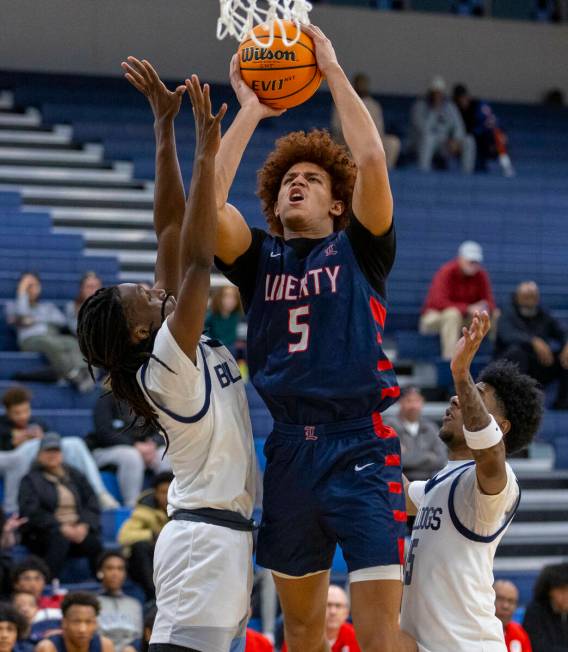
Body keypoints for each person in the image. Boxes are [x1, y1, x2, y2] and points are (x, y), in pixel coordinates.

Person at [215, 24, 409, 652]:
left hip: (360, 446)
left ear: (337, 206)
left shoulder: (360, 248)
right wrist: (249, 110)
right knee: (300, 629)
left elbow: (372, 160)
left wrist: (330, 71)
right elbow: (206, 204)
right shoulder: (258, 257)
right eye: (287, 180)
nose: (297, 182)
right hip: (291, 455)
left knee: (378, 635)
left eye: (313, 179)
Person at [77, 61, 255, 652]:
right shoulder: (169, 360)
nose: (156, 289)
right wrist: (207, 155)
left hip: (219, 538)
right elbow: (198, 256)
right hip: (204, 543)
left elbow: (169, 232)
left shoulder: (161, 343)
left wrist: (163, 128)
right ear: (135, 332)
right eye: (146, 296)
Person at [401, 312, 544, 651]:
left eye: (474, 398)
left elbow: (491, 454)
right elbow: (400, 493)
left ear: (501, 427)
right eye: (465, 394)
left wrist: (462, 373)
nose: (456, 398)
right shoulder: (442, 480)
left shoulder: (500, 483)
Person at [0, 386, 118, 512]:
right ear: (8, 411)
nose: (23, 416)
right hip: (13, 459)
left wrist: (41, 439)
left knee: (76, 444)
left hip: (39, 458)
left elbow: (51, 442)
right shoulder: (2, 425)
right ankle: (13, 508)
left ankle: (99, 494)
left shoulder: (36, 423)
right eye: (17, 413)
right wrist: (14, 441)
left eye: (26, 411)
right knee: (25, 451)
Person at [18, 433, 103, 578]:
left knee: (93, 543)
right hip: (44, 533)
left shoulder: (75, 475)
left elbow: (91, 502)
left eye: (56, 451)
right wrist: (60, 527)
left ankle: (100, 580)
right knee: (59, 540)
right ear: (39, 455)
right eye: (47, 451)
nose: (52, 455)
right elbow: (31, 512)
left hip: (77, 529)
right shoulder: (30, 480)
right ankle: (48, 582)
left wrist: (84, 525)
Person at [5, 273, 93, 393]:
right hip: (30, 340)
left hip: (52, 337)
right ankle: (72, 374)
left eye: (34, 285)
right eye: (28, 286)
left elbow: (61, 321)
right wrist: (22, 293)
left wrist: (34, 319)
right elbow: (22, 314)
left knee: (72, 342)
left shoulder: (47, 306)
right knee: (51, 343)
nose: (32, 289)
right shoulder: (12, 305)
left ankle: (83, 372)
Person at [495, 281, 568, 410]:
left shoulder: (543, 313)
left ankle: (563, 404)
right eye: (525, 296)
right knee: (516, 352)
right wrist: (533, 341)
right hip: (510, 366)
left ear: (538, 298)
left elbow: (562, 331)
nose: (529, 300)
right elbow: (507, 335)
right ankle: (515, 403)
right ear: (517, 297)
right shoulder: (507, 312)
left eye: (533, 296)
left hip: (539, 365)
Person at [90, 391, 170, 507]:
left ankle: (168, 504)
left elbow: (161, 427)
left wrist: (153, 444)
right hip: (106, 450)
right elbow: (104, 433)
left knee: (164, 454)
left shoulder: (147, 399)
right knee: (131, 456)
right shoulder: (106, 400)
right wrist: (134, 445)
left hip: (144, 449)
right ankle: (131, 506)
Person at [419, 241, 496, 359]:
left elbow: (490, 303)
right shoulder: (446, 271)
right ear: (460, 259)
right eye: (470, 261)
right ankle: (450, 362)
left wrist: (483, 307)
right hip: (434, 317)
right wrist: (468, 308)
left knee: (493, 315)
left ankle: (492, 357)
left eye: (476, 262)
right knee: (452, 314)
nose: (473, 264)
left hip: (462, 320)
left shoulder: (481, 275)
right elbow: (438, 302)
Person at [117, 472, 172, 600]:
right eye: (162, 492)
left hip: (169, 558)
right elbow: (123, 536)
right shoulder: (144, 511)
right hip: (143, 564)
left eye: (169, 491)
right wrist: (153, 535)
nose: (166, 496)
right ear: (155, 493)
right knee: (140, 546)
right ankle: (153, 595)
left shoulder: (184, 512)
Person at [331, 73, 400, 169]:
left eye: (364, 84)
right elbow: (336, 127)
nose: (362, 87)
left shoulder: (374, 105)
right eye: (360, 84)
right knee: (355, 142)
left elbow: (379, 128)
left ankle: (384, 173)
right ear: (353, 85)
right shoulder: (341, 101)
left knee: (393, 142)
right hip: (347, 140)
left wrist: (370, 138)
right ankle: (356, 174)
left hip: (371, 140)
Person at [408, 76, 475, 173]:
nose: (437, 96)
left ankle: (467, 175)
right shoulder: (419, 107)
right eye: (435, 93)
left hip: (444, 144)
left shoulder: (449, 107)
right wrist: (434, 110)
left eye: (440, 93)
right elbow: (423, 130)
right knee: (428, 138)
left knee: (469, 141)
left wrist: (455, 140)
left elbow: (459, 127)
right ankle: (423, 172)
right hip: (421, 143)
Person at [384, 386, 447, 481]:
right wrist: (429, 457)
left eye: (417, 401)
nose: (413, 406)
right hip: (399, 483)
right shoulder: (389, 426)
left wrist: (407, 455)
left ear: (422, 402)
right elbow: (391, 460)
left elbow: (441, 459)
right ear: (400, 402)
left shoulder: (431, 427)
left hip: (427, 483)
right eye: (409, 401)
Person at [453, 84, 514, 177]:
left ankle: (506, 165)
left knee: (498, 136)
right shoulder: (454, 109)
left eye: (464, 97)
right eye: (459, 98)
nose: (462, 100)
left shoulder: (478, 105)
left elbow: (492, 121)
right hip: (471, 139)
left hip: (485, 135)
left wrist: (501, 132)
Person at [282, 584, 361, 652]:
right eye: (328, 605)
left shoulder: (356, 638)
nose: (333, 612)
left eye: (338, 606)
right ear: (316, 609)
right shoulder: (300, 636)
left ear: (346, 612)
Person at [96, 552, 143, 652]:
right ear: (100, 572)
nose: (115, 573)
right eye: (109, 568)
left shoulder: (134, 604)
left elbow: (139, 637)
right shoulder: (92, 603)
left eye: (120, 569)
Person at [36, 592, 114, 652]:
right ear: (64, 623)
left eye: (88, 622)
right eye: (76, 622)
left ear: (95, 624)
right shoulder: (48, 648)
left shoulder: (104, 646)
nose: (82, 629)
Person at [523, 562, 568, 652]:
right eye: (562, 590)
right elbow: (539, 648)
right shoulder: (535, 612)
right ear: (549, 590)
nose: (567, 595)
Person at [493, 580, 532, 652]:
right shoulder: (480, 631)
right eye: (500, 599)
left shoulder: (519, 633)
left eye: (511, 601)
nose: (505, 606)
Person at [205, 286, 245, 353]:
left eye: (233, 297)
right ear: (219, 298)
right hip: (214, 350)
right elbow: (205, 334)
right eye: (227, 296)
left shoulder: (240, 317)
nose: (230, 301)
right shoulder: (210, 316)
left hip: (233, 352)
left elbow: (242, 337)